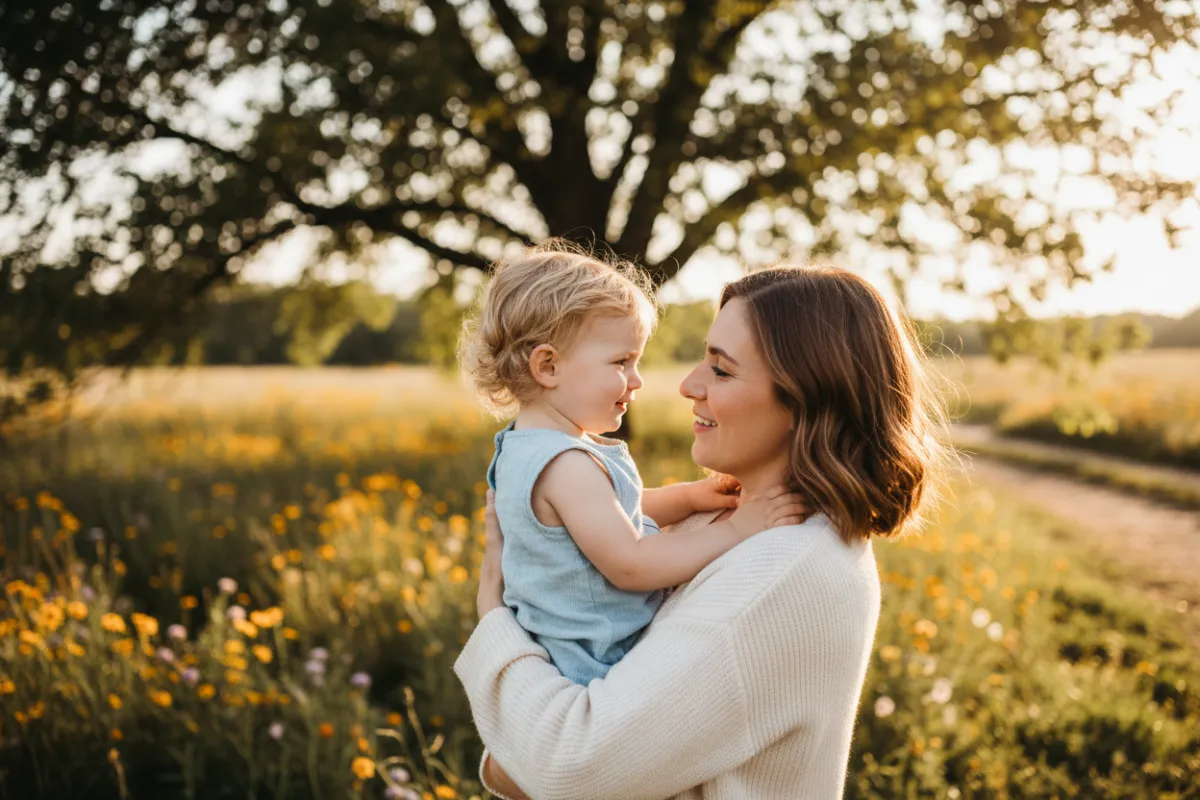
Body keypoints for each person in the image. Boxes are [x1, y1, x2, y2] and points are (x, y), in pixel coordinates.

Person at [455, 265, 949, 800]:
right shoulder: (725, 520)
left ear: (805, 399)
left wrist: (494, 621)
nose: (688, 385)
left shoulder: (783, 570)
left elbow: (567, 769)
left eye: (722, 370)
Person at [458, 244, 807, 685]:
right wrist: (738, 529)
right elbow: (631, 563)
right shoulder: (564, 465)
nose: (637, 380)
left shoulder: (529, 447)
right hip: (590, 662)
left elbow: (615, 512)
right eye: (622, 362)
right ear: (548, 365)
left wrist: (688, 497)